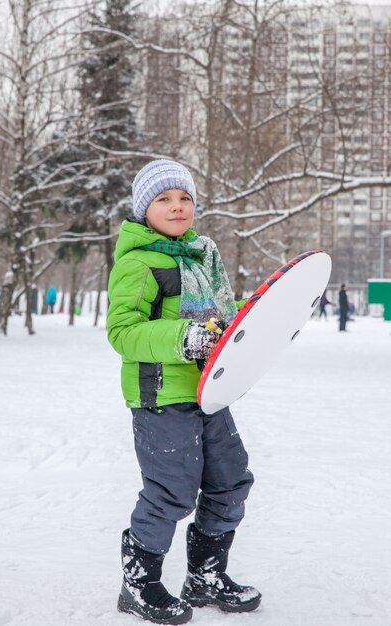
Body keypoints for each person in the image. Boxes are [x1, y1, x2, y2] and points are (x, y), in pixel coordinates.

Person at [107, 160, 261, 625]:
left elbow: (219, 317)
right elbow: (122, 332)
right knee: (172, 490)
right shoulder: (137, 263)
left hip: (209, 390)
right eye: (164, 199)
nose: (177, 207)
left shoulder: (200, 256)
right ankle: (139, 583)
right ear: (143, 209)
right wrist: (182, 337)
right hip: (160, 394)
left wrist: (257, 316)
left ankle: (206, 576)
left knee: (231, 481)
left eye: (185, 199)